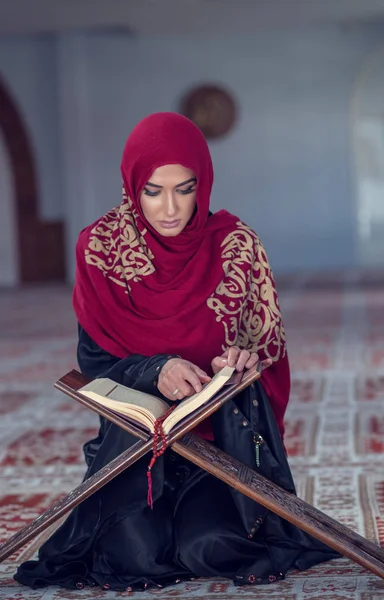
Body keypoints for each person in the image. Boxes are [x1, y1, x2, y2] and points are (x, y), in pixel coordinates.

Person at [14, 112, 338, 592]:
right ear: (131, 186)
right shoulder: (100, 250)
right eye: (154, 190)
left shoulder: (235, 247)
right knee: (135, 553)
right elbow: (96, 364)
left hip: (217, 444)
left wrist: (243, 364)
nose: (170, 208)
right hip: (138, 445)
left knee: (212, 547)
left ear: (203, 183)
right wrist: (155, 370)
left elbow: (264, 353)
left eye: (184, 189)